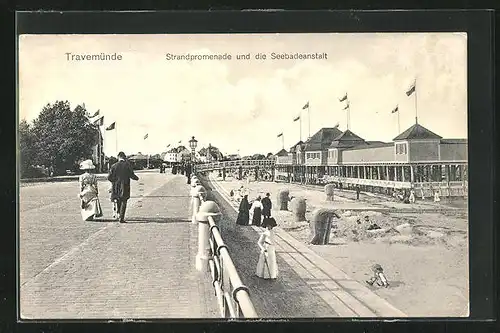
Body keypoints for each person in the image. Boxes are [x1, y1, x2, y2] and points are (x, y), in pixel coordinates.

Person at [108, 152, 139, 223]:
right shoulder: (128, 165)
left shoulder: (114, 166)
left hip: (116, 187)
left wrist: (115, 181)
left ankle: (119, 214)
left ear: (118, 157)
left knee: (118, 200)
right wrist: (136, 178)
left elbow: (109, 177)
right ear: (124, 157)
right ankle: (121, 217)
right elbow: (132, 175)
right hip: (125, 185)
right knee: (124, 201)